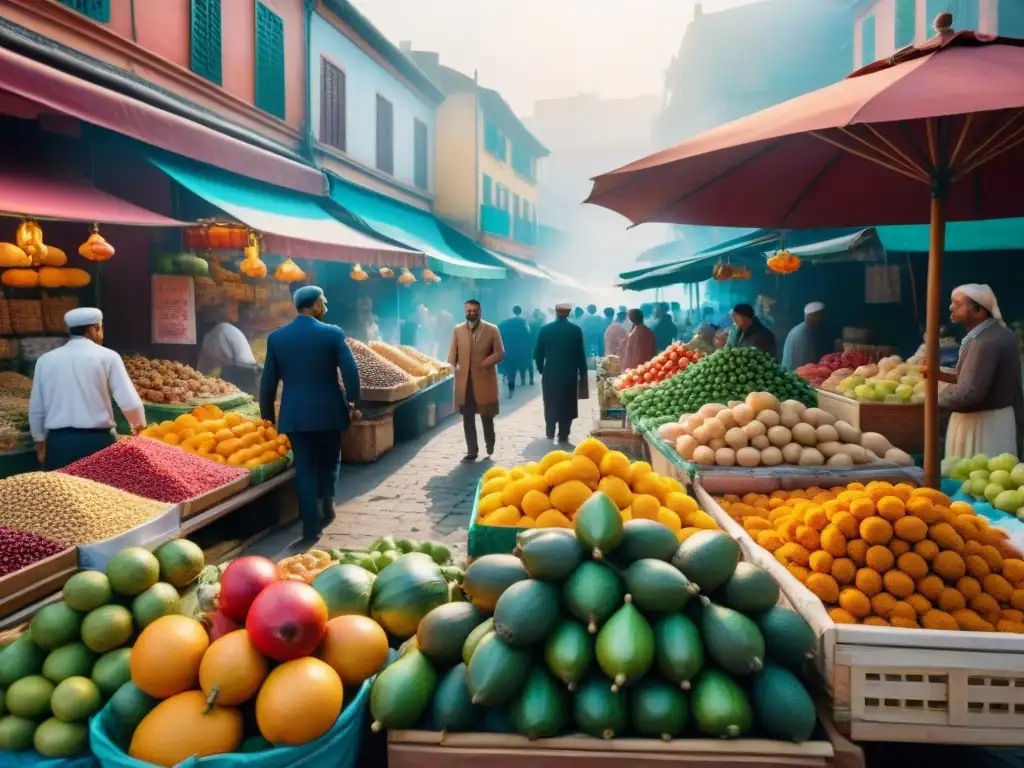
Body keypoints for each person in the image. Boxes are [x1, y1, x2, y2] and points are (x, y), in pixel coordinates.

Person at [260, 286, 360, 543]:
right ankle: (327, 505)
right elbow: (350, 370)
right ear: (314, 305)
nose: (325, 306)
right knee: (330, 461)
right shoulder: (333, 333)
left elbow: (268, 383)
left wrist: (267, 418)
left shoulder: (277, 338)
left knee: (304, 470)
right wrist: (352, 401)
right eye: (323, 302)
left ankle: (310, 530)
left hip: (295, 415)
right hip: (329, 412)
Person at [29, 308, 146, 470]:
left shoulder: (45, 360)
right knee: (97, 494)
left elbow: (36, 408)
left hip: (58, 444)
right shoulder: (108, 357)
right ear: (95, 329)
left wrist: (40, 442)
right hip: (98, 443)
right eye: (101, 328)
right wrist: (139, 429)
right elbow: (130, 402)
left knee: (62, 494)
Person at [930, 285, 1024, 458]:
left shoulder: (986, 342)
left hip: (984, 425)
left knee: (973, 477)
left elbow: (971, 392)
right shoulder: (991, 334)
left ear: (977, 309)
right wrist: (940, 375)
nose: (951, 308)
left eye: (957, 304)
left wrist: (929, 401)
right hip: (989, 421)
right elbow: (975, 377)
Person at [449, 299, 504, 462]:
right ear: (465, 311)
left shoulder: (492, 329)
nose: (471, 313)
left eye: (474, 311)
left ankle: (490, 442)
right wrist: (451, 367)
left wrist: (484, 364)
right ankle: (472, 450)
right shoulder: (458, 330)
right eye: (468, 311)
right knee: (467, 416)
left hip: (484, 379)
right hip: (465, 382)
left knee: (486, 415)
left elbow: (500, 353)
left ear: (480, 311)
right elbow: (452, 355)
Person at [534, 303, 589, 443]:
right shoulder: (576, 330)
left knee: (551, 401)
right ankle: (564, 433)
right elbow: (580, 354)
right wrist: (583, 372)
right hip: (570, 372)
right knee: (567, 402)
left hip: (551, 371)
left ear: (556, 313)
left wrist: (541, 369)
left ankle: (550, 429)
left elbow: (538, 353)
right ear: (569, 313)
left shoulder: (546, 329)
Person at [197, 306, 260, 394]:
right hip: (241, 374)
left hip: (232, 377)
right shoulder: (230, 330)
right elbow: (248, 361)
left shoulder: (209, 336)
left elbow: (203, 369)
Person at [781, 301, 826, 371]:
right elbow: (801, 362)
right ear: (814, 315)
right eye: (821, 315)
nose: (823, 317)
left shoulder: (803, 329)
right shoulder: (801, 334)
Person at [498, 306, 532, 396]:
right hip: (520, 349)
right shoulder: (523, 322)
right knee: (521, 365)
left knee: (510, 369)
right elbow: (527, 335)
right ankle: (523, 380)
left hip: (509, 349)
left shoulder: (504, 323)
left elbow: (499, 335)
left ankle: (511, 387)